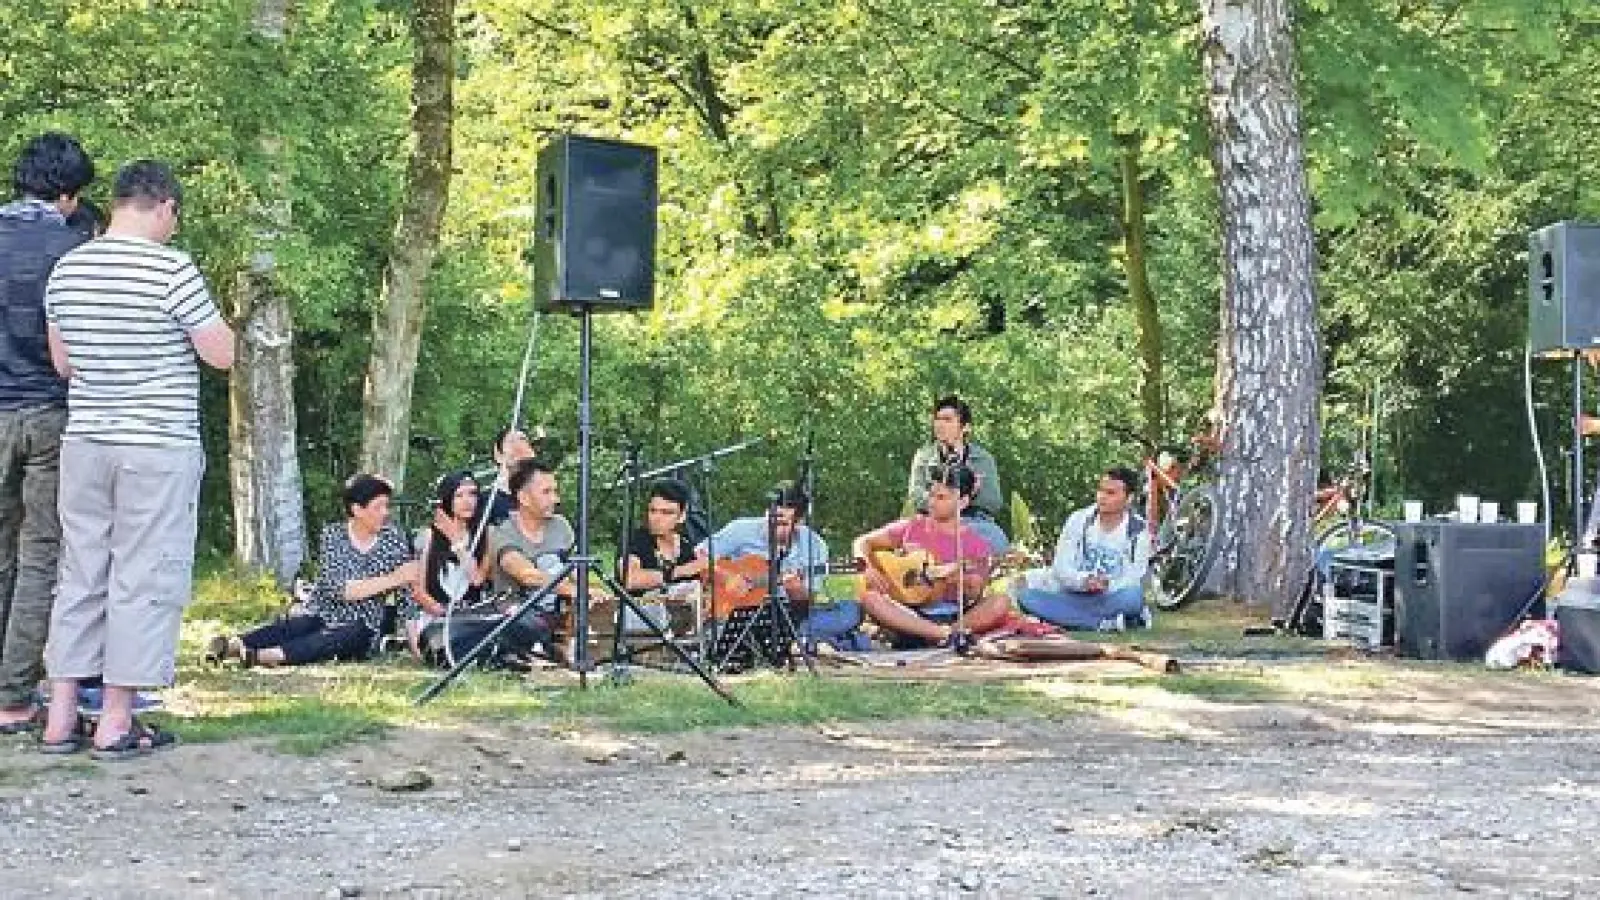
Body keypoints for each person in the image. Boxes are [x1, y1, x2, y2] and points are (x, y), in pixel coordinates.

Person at [40, 160, 234, 759]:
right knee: (141, 573)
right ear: (164, 206)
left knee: (81, 571)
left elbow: (64, 365)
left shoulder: (68, 268)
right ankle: (118, 719)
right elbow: (220, 354)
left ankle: (61, 715)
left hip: (87, 439)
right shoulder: (172, 270)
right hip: (156, 442)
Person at [0, 133, 94, 735]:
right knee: (42, 555)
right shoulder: (73, 249)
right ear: (67, 193)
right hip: (50, 412)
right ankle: (12, 695)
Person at [208, 474, 419, 668]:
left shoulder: (393, 539)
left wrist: (416, 647)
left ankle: (263, 657)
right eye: (378, 507)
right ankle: (231, 646)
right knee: (298, 626)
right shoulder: (333, 536)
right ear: (357, 510)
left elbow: (406, 599)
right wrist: (394, 578)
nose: (385, 513)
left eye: (386, 506)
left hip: (362, 626)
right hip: (322, 612)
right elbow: (342, 590)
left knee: (340, 635)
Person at [855, 465, 1012, 647]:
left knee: (1001, 602)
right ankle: (943, 635)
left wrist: (951, 577)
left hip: (955, 614)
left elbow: (972, 594)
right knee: (870, 599)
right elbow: (862, 542)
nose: (932, 502)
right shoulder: (912, 526)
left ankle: (940, 632)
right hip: (908, 610)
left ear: (962, 502)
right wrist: (867, 568)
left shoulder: (976, 544)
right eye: (931, 495)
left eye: (941, 497)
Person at [696, 482, 863, 646]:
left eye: (782, 523)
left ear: (799, 522)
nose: (772, 527)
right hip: (739, 611)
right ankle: (800, 639)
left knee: (849, 610)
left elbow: (806, 601)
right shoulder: (741, 529)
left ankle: (788, 636)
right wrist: (727, 578)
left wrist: (796, 590)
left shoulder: (814, 544)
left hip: (789, 611)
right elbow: (700, 555)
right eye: (770, 519)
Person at [1014, 467, 1152, 631]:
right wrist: (1083, 581)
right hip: (1073, 593)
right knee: (1027, 597)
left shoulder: (1139, 530)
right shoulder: (1078, 519)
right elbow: (1061, 566)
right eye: (1100, 490)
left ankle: (1073, 618)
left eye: (1110, 493)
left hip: (1110, 596)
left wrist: (1106, 585)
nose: (1102, 497)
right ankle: (1103, 623)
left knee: (1133, 597)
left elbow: (1136, 577)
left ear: (1128, 498)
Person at [906, 394, 1008, 552]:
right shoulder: (924, 456)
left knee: (996, 540)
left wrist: (971, 493)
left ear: (965, 427)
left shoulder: (983, 459)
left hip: (973, 521)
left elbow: (994, 502)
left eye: (947, 420)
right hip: (934, 521)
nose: (940, 425)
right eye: (938, 419)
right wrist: (944, 502)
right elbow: (916, 495)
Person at [406, 470, 489, 656]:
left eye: (472, 494)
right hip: (434, 616)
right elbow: (418, 592)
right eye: (459, 495)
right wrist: (443, 613)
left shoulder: (484, 535)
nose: (467, 501)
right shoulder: (428, 536)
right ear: (447, 499)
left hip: (470, 616)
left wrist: (456, 539)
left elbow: (476, 579)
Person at [623, 478, 707, 595]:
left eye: (667, 513)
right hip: (636, 611)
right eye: (653, 511)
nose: (656, 518)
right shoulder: (636, 539)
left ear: (682, 516)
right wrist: (678, 571)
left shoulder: (685, 545)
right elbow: (629, 579)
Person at [477, 425, 541, 530]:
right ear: (498, 455)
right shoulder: (484, 501)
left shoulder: (541, 499)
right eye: (513, 442)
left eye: (524, 442)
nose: (520, 447)